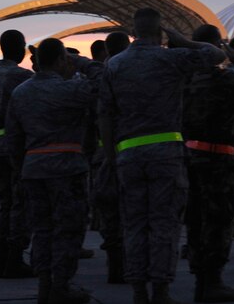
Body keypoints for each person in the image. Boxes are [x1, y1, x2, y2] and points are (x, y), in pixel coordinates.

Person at [99, 8, 225, 304]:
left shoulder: (114, 65)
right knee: (163, 225)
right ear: (161, 33)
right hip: (165, 153)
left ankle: (139, 290)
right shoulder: (171, 58)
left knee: (134, 224)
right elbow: (215, 56)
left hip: (128, 154)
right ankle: (161, 289)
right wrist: (186, 41)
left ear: (133, 33)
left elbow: (104, 114)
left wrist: (110, 156)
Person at [8, 38, 104, 304]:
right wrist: (81, 61)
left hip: (34, 169)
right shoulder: (72, 89)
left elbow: (14, 140)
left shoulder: (21, 92)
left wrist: (23, 168)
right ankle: (60, 286)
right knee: (68, 230)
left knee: (42, 230)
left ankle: (44, 285)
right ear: (63, 60)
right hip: (67, 168)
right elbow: (103, 78)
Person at [181, 25, 234, 302]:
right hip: (218, 158)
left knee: (195, 218)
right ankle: (212, 282)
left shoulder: (183, 80)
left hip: (189, 157)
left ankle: (199, 277)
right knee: (219, 220)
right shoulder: (227, 79)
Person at [0, 29, 34, 279]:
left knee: (5, 204)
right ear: (19, 48)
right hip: (19, 146)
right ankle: (14, 258)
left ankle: (2, 258)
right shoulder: (24, 78)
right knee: (20, 204)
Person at [90, 31, 130, 284]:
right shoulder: (130, 76)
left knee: (110, 214)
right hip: (129, 154)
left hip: (102, 156)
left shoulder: (97, 77)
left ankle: (115, 264)